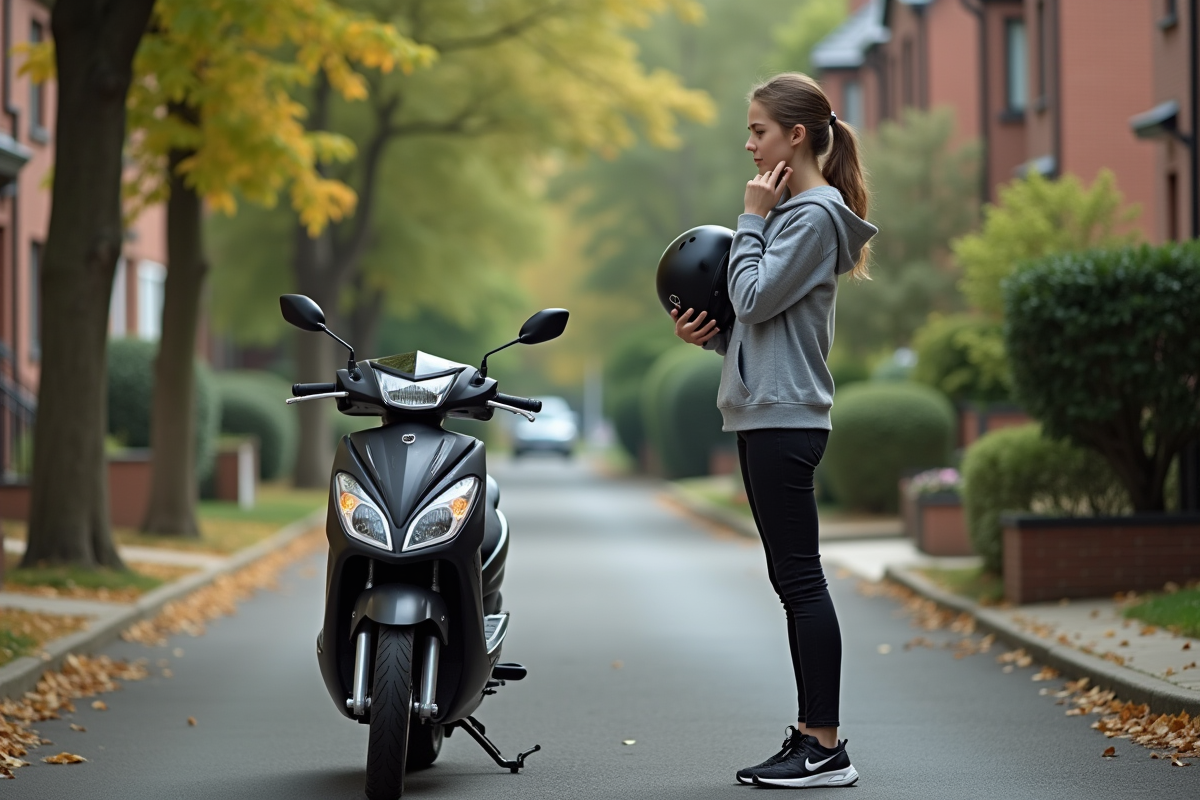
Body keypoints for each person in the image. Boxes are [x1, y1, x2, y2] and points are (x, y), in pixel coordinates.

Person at [670, 72, 877, 789]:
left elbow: (752, 297)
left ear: (796, 135)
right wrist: (710, 340)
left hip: (786, 422)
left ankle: (824, 746)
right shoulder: (798, 215)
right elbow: (760, 330)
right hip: (770, 413)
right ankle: (811, 736)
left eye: (758, 130)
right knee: (792, 582)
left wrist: (751, 217)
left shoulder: (812, 215)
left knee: (801, 581)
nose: (749, 144)